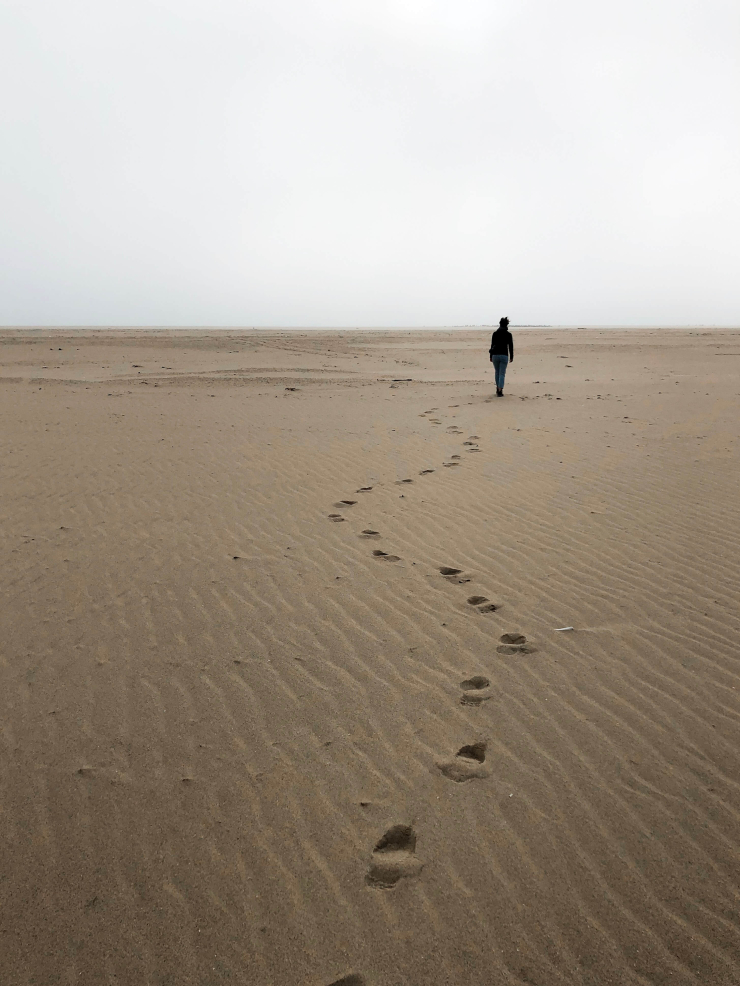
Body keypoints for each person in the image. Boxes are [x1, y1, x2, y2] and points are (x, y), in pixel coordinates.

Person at [489, 317, 514, 396]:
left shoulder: (495, 334)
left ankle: (497, 388)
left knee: (497, 372)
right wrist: (511, 356)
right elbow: (510, 346)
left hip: (495, 355)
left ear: (500, 324)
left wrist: (490, 356)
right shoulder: (508, 334)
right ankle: (500, 389)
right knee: (502, 373)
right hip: (504, 355)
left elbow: (492, 345)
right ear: (507, 325)